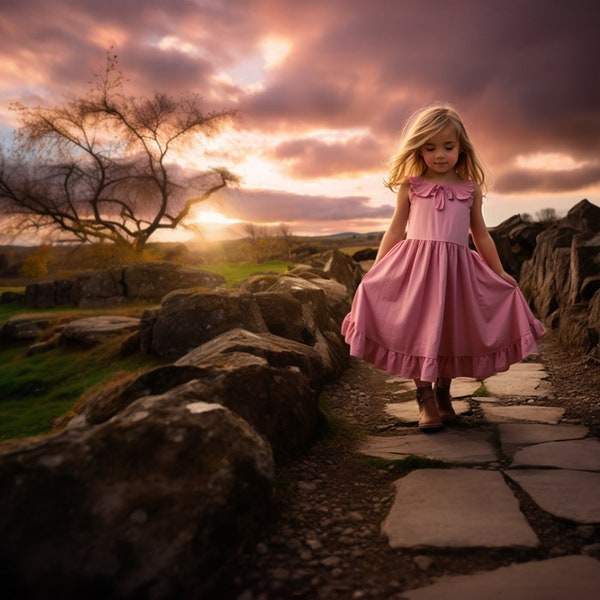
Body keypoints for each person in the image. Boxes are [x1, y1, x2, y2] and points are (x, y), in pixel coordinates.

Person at [341, 104, 544, 432]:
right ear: (418, 149)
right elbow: (395, 230)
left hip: (456, 273)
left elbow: (480, 234)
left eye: (447, 147)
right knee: (422, 332)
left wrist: (499, 271)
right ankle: (425, 400)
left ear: (461, 147)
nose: (439, 155)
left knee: (448, 330)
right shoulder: (412, 186)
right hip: (417, 271)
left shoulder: (469, 189)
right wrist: (378, 268)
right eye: (430, 147)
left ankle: (443, 393)